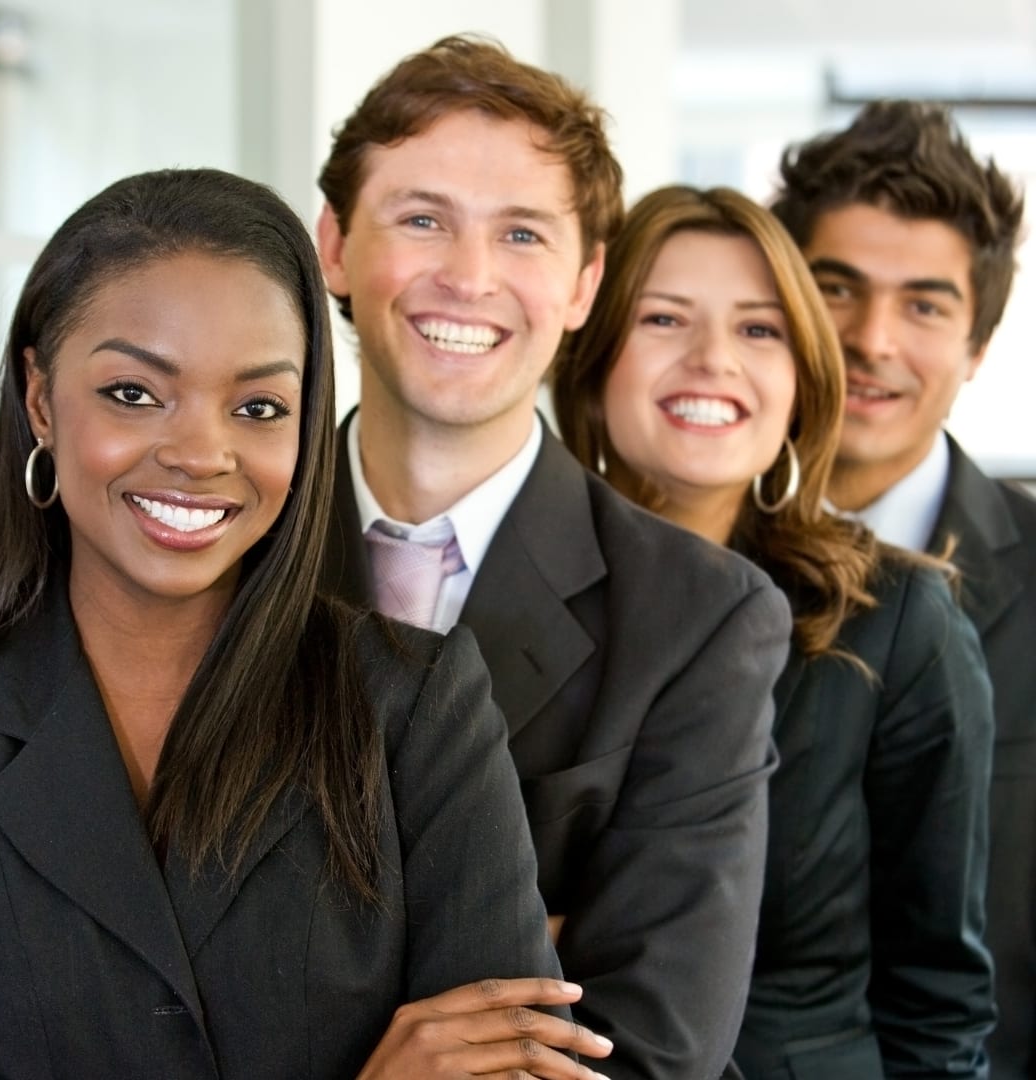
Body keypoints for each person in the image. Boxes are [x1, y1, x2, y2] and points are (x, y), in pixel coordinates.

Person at [0, 167, 616, 1079]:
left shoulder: (416, 706)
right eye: (134, 393)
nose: (199, 453)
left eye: (259, 407)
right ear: (39, 399)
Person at [315, 33, 792, 1080]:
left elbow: (656, 1049)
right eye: (423, 218)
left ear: (584, 284)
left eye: (523, 235)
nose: (470, 276)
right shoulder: (217, 547)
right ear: (335, 247)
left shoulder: (702, 618)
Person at [553, 183, 997, 1076]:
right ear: (595, 361)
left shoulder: (899, 625)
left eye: (760, 331)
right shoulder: (498, 596)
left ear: (801, 382)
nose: (714, 359)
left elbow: (937, 999)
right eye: (666, 320)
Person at [771, 101, 1036, 1078]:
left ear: (976, 347)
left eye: (925, 304)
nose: (872, 339)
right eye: (836, 289)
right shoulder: (681, 571)